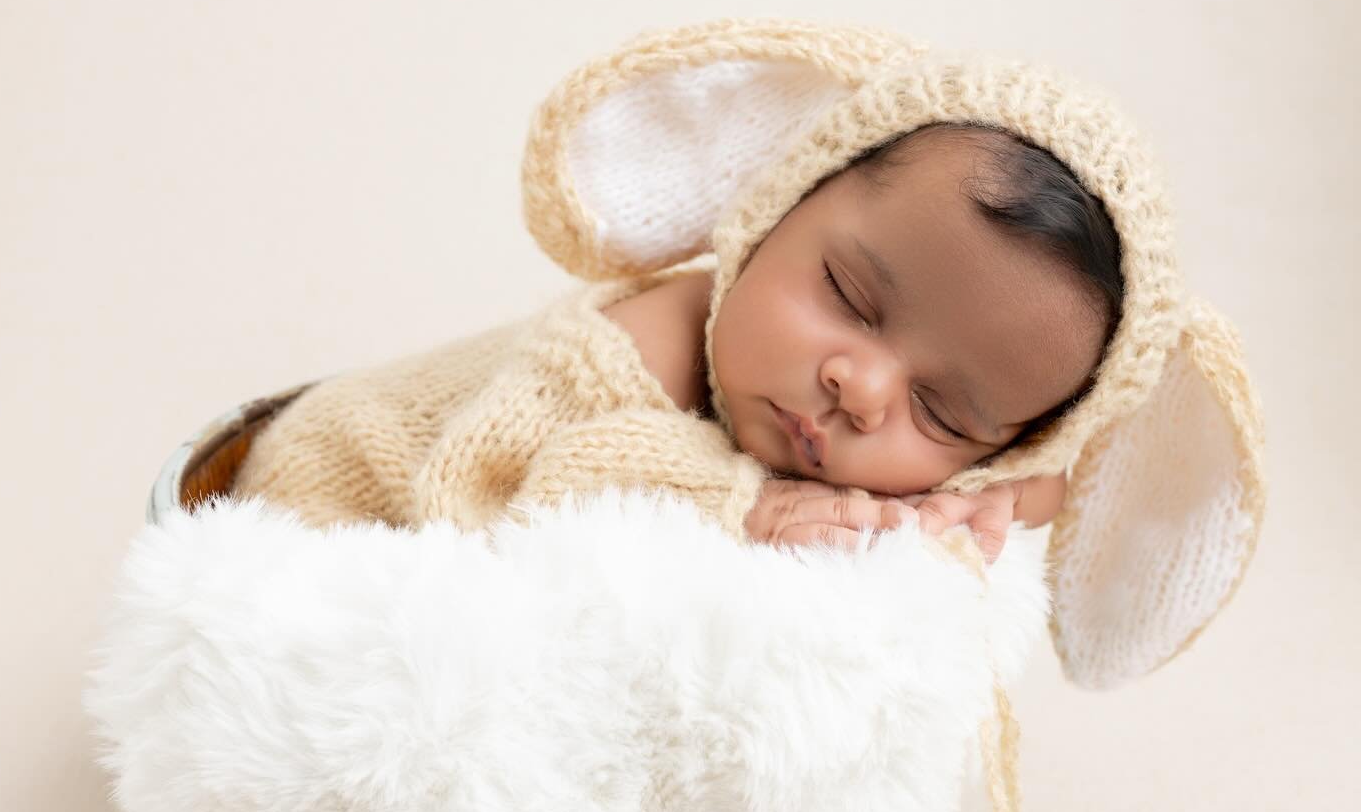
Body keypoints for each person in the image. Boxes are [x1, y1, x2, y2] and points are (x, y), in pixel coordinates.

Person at [230, 120, 1120, 567]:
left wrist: (992, 499)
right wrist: (746, 507)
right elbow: (512, 498)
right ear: (777, 207)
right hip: (328, 510)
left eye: (941, 410)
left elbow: (1042, 476)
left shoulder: (863, 413)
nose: (861, 391)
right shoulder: (632, 352)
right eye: (850, 297)